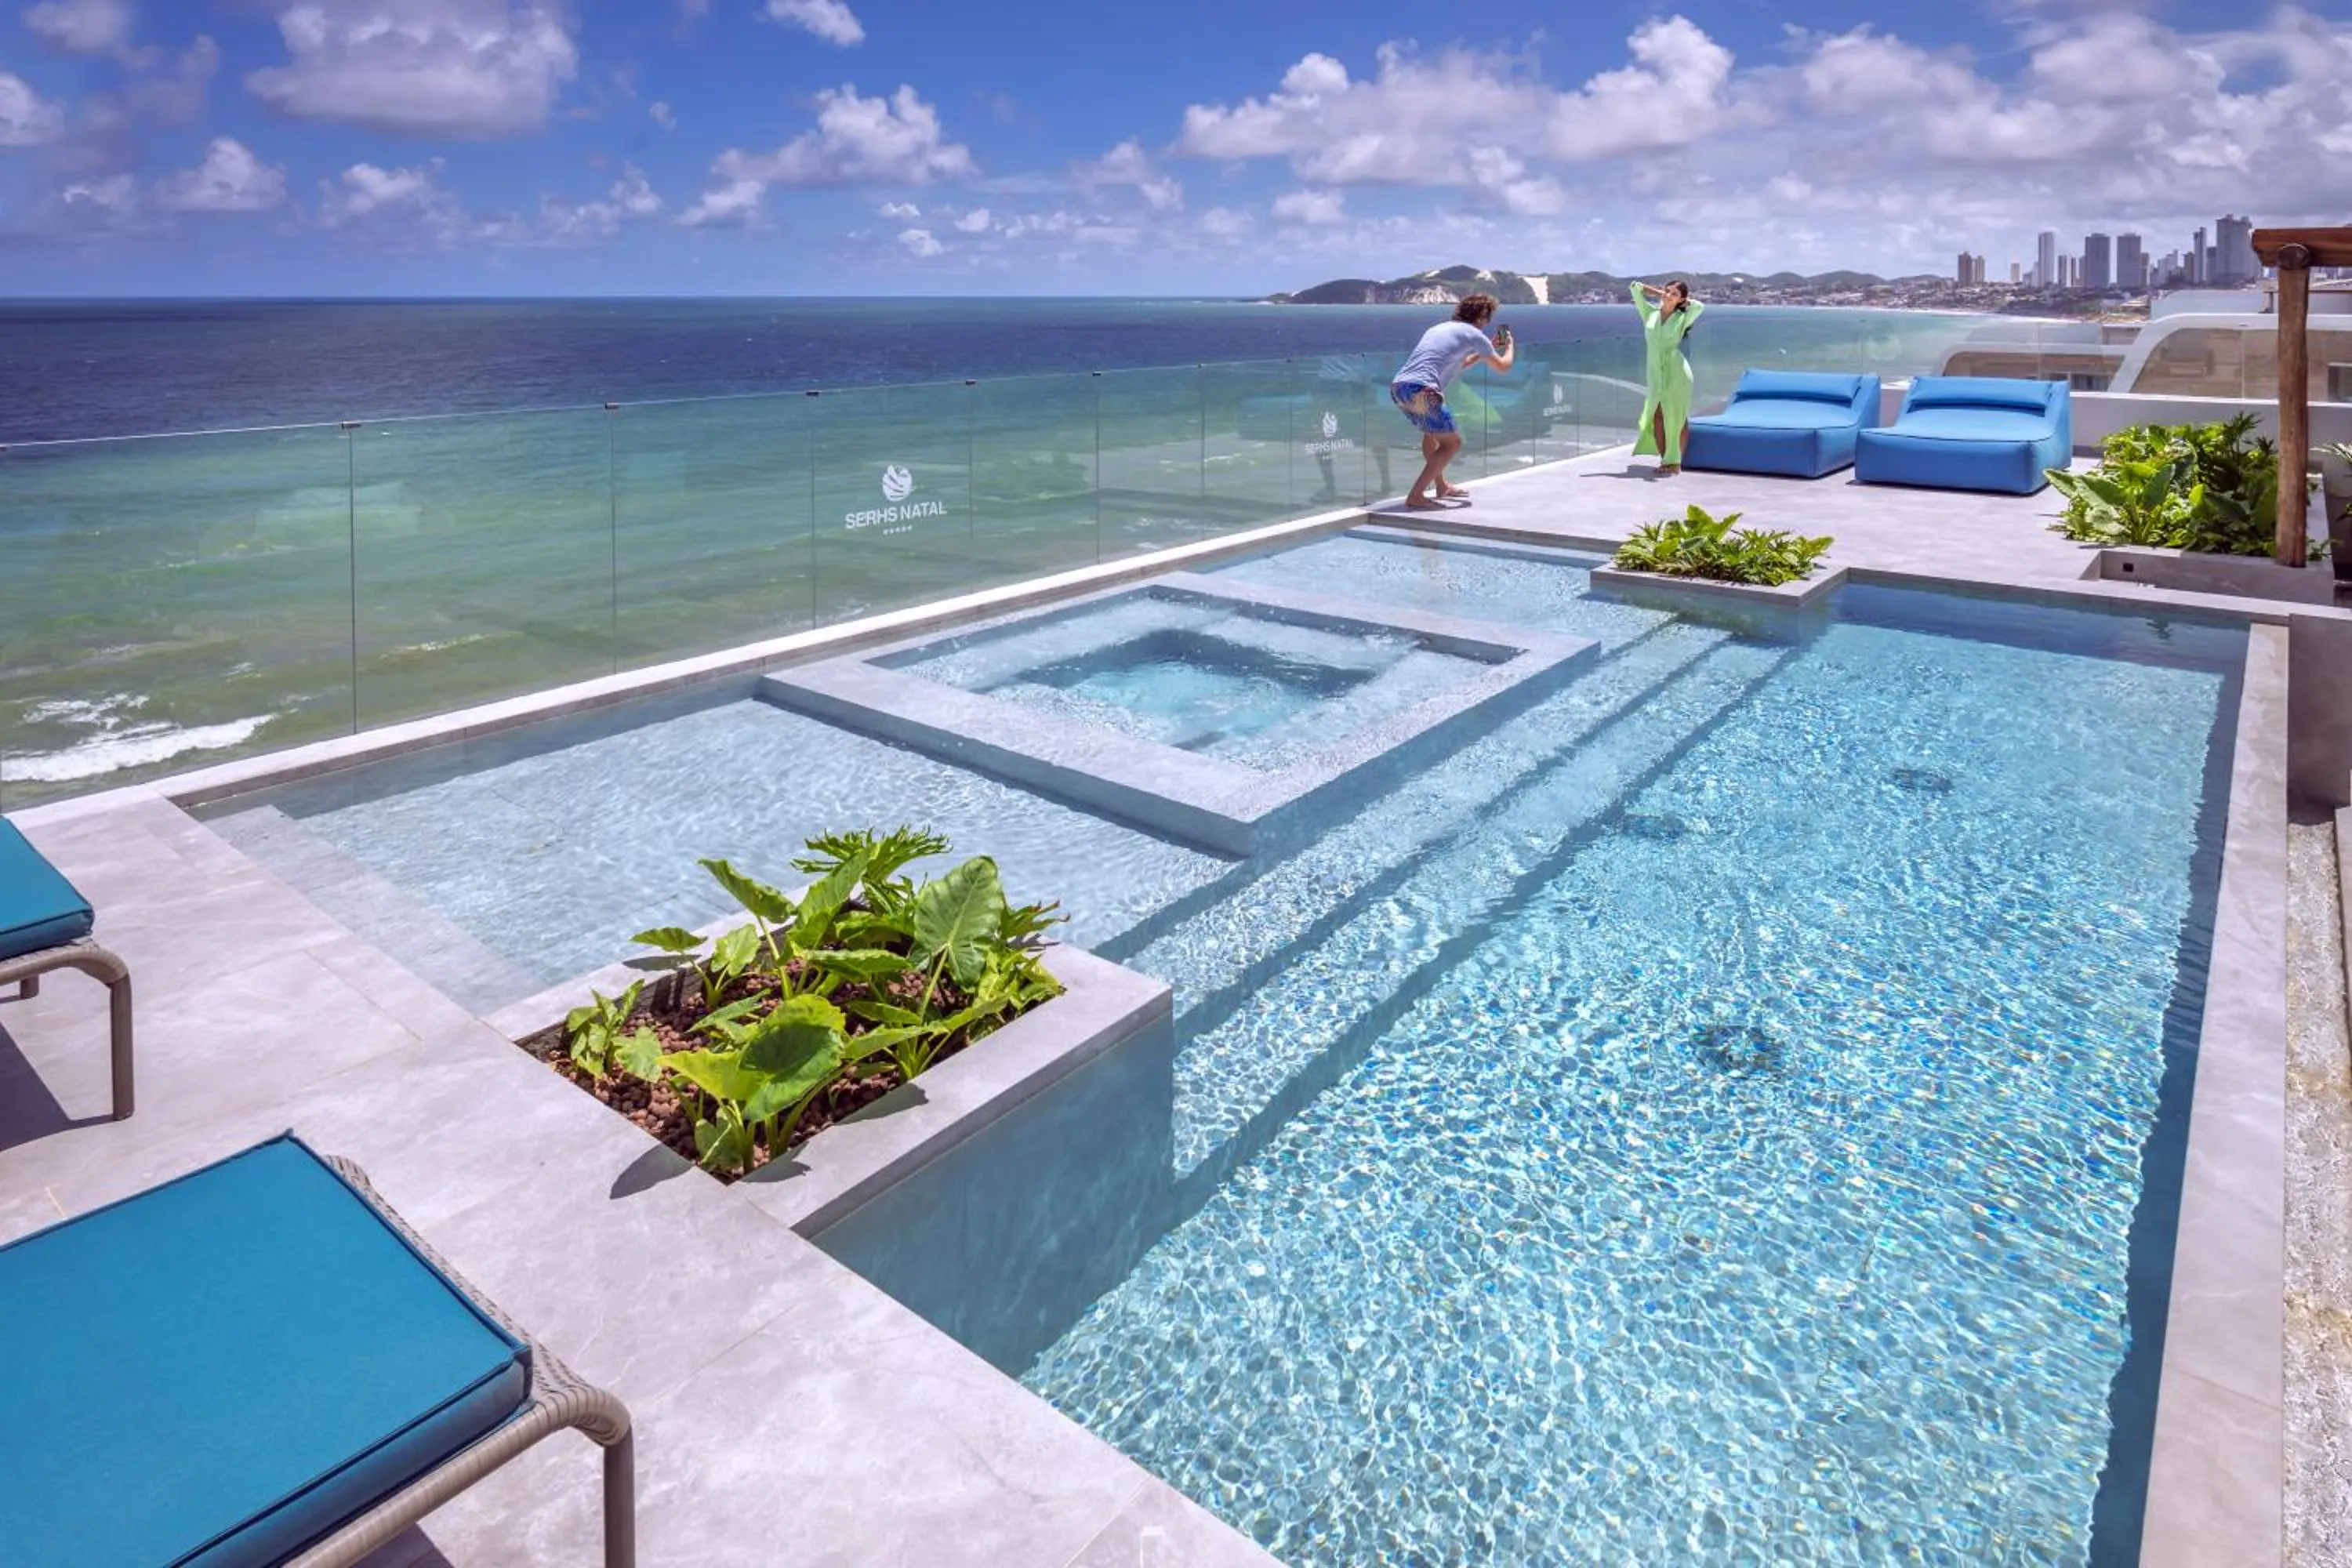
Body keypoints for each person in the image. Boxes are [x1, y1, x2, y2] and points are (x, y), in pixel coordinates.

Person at [1389, 293, 1515, 510]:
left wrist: (1481, 353)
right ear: (1482, 317)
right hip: (1422, 391)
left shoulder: (1438, 328)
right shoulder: (1475, 335)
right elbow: (1503, 366)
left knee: (1431, 435)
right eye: (1488, 318)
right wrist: (1510, 345)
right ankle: (1416, 496)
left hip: (1400, 387)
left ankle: (1441, 486)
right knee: (1453, 443)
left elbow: (1459, 363)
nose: (1487, 323)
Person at [1632, 279, 1704, 476]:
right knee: (1657, 415)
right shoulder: (1650, 314)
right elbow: (1635, 288)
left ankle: (1675, 462)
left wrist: (1680, 302)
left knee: (1678, 417)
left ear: (1682, 299)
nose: (1668, 295)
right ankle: (1667, 460)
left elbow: (1699, 306)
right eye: (1667, 291)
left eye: (1674, 293)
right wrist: (1658, 293)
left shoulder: (1683, 318)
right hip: (1655, 371)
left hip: (1677, 371)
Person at [1308, 354, 1392, 504]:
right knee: (1373, 430)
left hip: (1331, 381)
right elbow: (1386, 361)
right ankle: (1386, 482)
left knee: (1324, 434)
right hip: (1359, 381)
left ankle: (1330, 488)